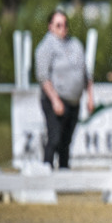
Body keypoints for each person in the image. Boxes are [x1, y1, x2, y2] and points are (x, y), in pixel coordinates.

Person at [35, 10, 95, 169]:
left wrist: (90, 97)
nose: (62, 28)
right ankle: (46, 171)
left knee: (66, 142)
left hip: (74, 101)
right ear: (50, 26)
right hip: (55, 100)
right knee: (54, 138)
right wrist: (55, 100)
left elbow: (86, 73)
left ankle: (63, 175)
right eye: (58, 25)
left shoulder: (75, 44)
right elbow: (43, 76)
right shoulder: (46, 46)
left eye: (65, 24)